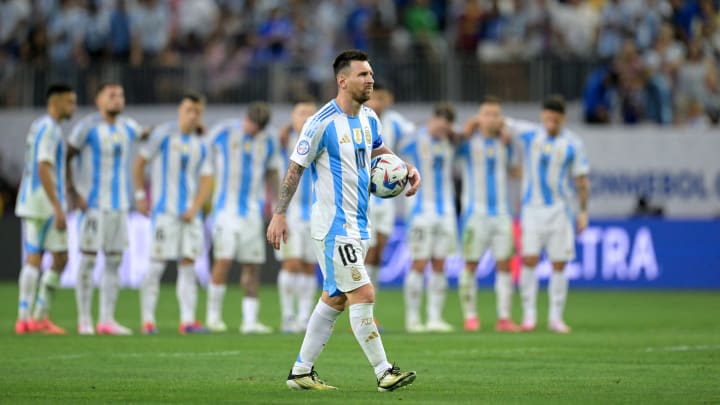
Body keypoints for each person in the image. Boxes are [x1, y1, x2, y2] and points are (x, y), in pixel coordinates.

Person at [267, 49, 420, 392]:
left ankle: (301, 372)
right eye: (364, 75)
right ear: (343, 80)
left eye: (371, 74)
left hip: (359, 224)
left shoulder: (369, 119)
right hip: (334, 228)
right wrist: (279, 213)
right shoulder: (321, 122)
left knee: (335, 299)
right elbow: (295, 168)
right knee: (363, 293)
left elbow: (378, 150)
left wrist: (406, 167)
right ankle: (384, 372)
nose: (371, 80)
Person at [67, 82, 146, 335]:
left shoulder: (128, 127)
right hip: (92, 206)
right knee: (89, 260)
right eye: (111, 95)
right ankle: (83, 320)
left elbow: (148, 135)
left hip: (120, 205)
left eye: (121, 95)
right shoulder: (86, 127)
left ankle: (106, 320)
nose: (117, 99)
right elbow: (66, 156)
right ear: (98, 99)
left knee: (114, 261)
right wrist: (73, 192)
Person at [508, 95, 590, 333]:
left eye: (555, 119)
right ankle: (529, 317)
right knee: (529, 259)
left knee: (559, 263)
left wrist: (583, 213)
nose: (551, 123)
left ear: (563, 119)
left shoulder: (574, 143)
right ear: (542, 116)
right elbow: (502, 123)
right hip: (531, 209)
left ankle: (555, 318)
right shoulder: (530, 133)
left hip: (560, 210)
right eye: (547, 118)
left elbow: (582, 181)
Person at [133, 93, 213, 335]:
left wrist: (195, 208)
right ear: (180, 111)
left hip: (190, 216)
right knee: (156, 265)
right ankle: (147, 321)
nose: (192, 115)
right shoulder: (163, 135)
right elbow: (139, 162)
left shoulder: (202, 142)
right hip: (164, 214)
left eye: (197, 111)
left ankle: (187, 321)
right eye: (188, 109)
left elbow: (207, 179)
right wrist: (139, 196)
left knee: (188, 266)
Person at [205, 102, 279, 334]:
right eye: (250, 124)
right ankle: (213, 316)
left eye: (257, 128)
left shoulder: (269, 141)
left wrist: (278, 204)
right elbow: (202, 148)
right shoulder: (224, 131)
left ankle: (250, 320)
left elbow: (273, 171)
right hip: (225, 211)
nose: (252, 130)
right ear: (245, 117)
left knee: (253, 265)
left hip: (252, 212)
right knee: (224, 260)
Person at [15, 83, 77, 335]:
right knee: (39, 258)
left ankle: (32, 316)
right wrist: (57, 206)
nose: (73, 107)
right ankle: (29, 317)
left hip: (33, 201)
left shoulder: (40, 125)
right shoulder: (49, 129)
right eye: (70, 102)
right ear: (56, 102)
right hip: (43, 203)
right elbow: (43, 166)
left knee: (54, 257)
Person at [457, 97, 522, 333]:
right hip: (475, 214)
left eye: (496, 114)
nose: (492, 118)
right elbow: (451, 144)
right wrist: (466, 130)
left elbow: (516, 170)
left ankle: (504, 318)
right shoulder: (468, 143)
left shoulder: (507, 144)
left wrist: (508, 138)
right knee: (471, 264)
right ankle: (470, 317)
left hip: (502, 214)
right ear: (479, 117)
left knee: (505, 264)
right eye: (487, 114)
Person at [399, 102, 457, 333]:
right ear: (432, 120)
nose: (442, 130)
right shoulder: (412, 140)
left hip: (447, 211)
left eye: (447, 127)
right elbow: (389, 150)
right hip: (420, 212)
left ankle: (434, 317)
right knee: (419, 262)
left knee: (440, 264)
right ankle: (413, 319)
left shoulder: (451, 142)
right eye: (439, 124)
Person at [363, 83, 415, 287]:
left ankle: (369, 305)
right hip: (364, 196)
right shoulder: (360, 119)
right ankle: (362, 310)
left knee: (379, 253)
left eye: (381, 98)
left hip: (387, 197)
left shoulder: (395, 122)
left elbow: (417, 134)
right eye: (373, 97)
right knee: (368, 252)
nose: (376, 102)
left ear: (389, 100)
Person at [275, 99, 319, 334]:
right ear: (292, 117)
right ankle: (287, 316)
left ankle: (304, 317)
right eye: (301, 113)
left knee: (309, 266)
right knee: (291, 263)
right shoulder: (283, 140)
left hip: (315, 213)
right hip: (290, 213)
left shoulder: (321, 138)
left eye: (311, 114)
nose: (306, 118)